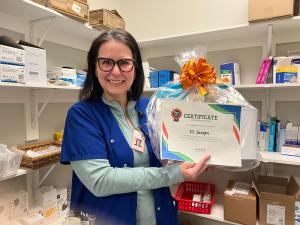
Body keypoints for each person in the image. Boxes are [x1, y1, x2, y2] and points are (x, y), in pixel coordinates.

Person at [61, 28, 210, 225]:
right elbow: (100, 180)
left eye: (124, 63)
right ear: (94, 67)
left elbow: (167, 154)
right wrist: (174, 174)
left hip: (160, 216)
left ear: (136, 68)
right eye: (106, 62)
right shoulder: (82, 115)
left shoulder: (149, 107)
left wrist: (195, 155)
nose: (115, 71)